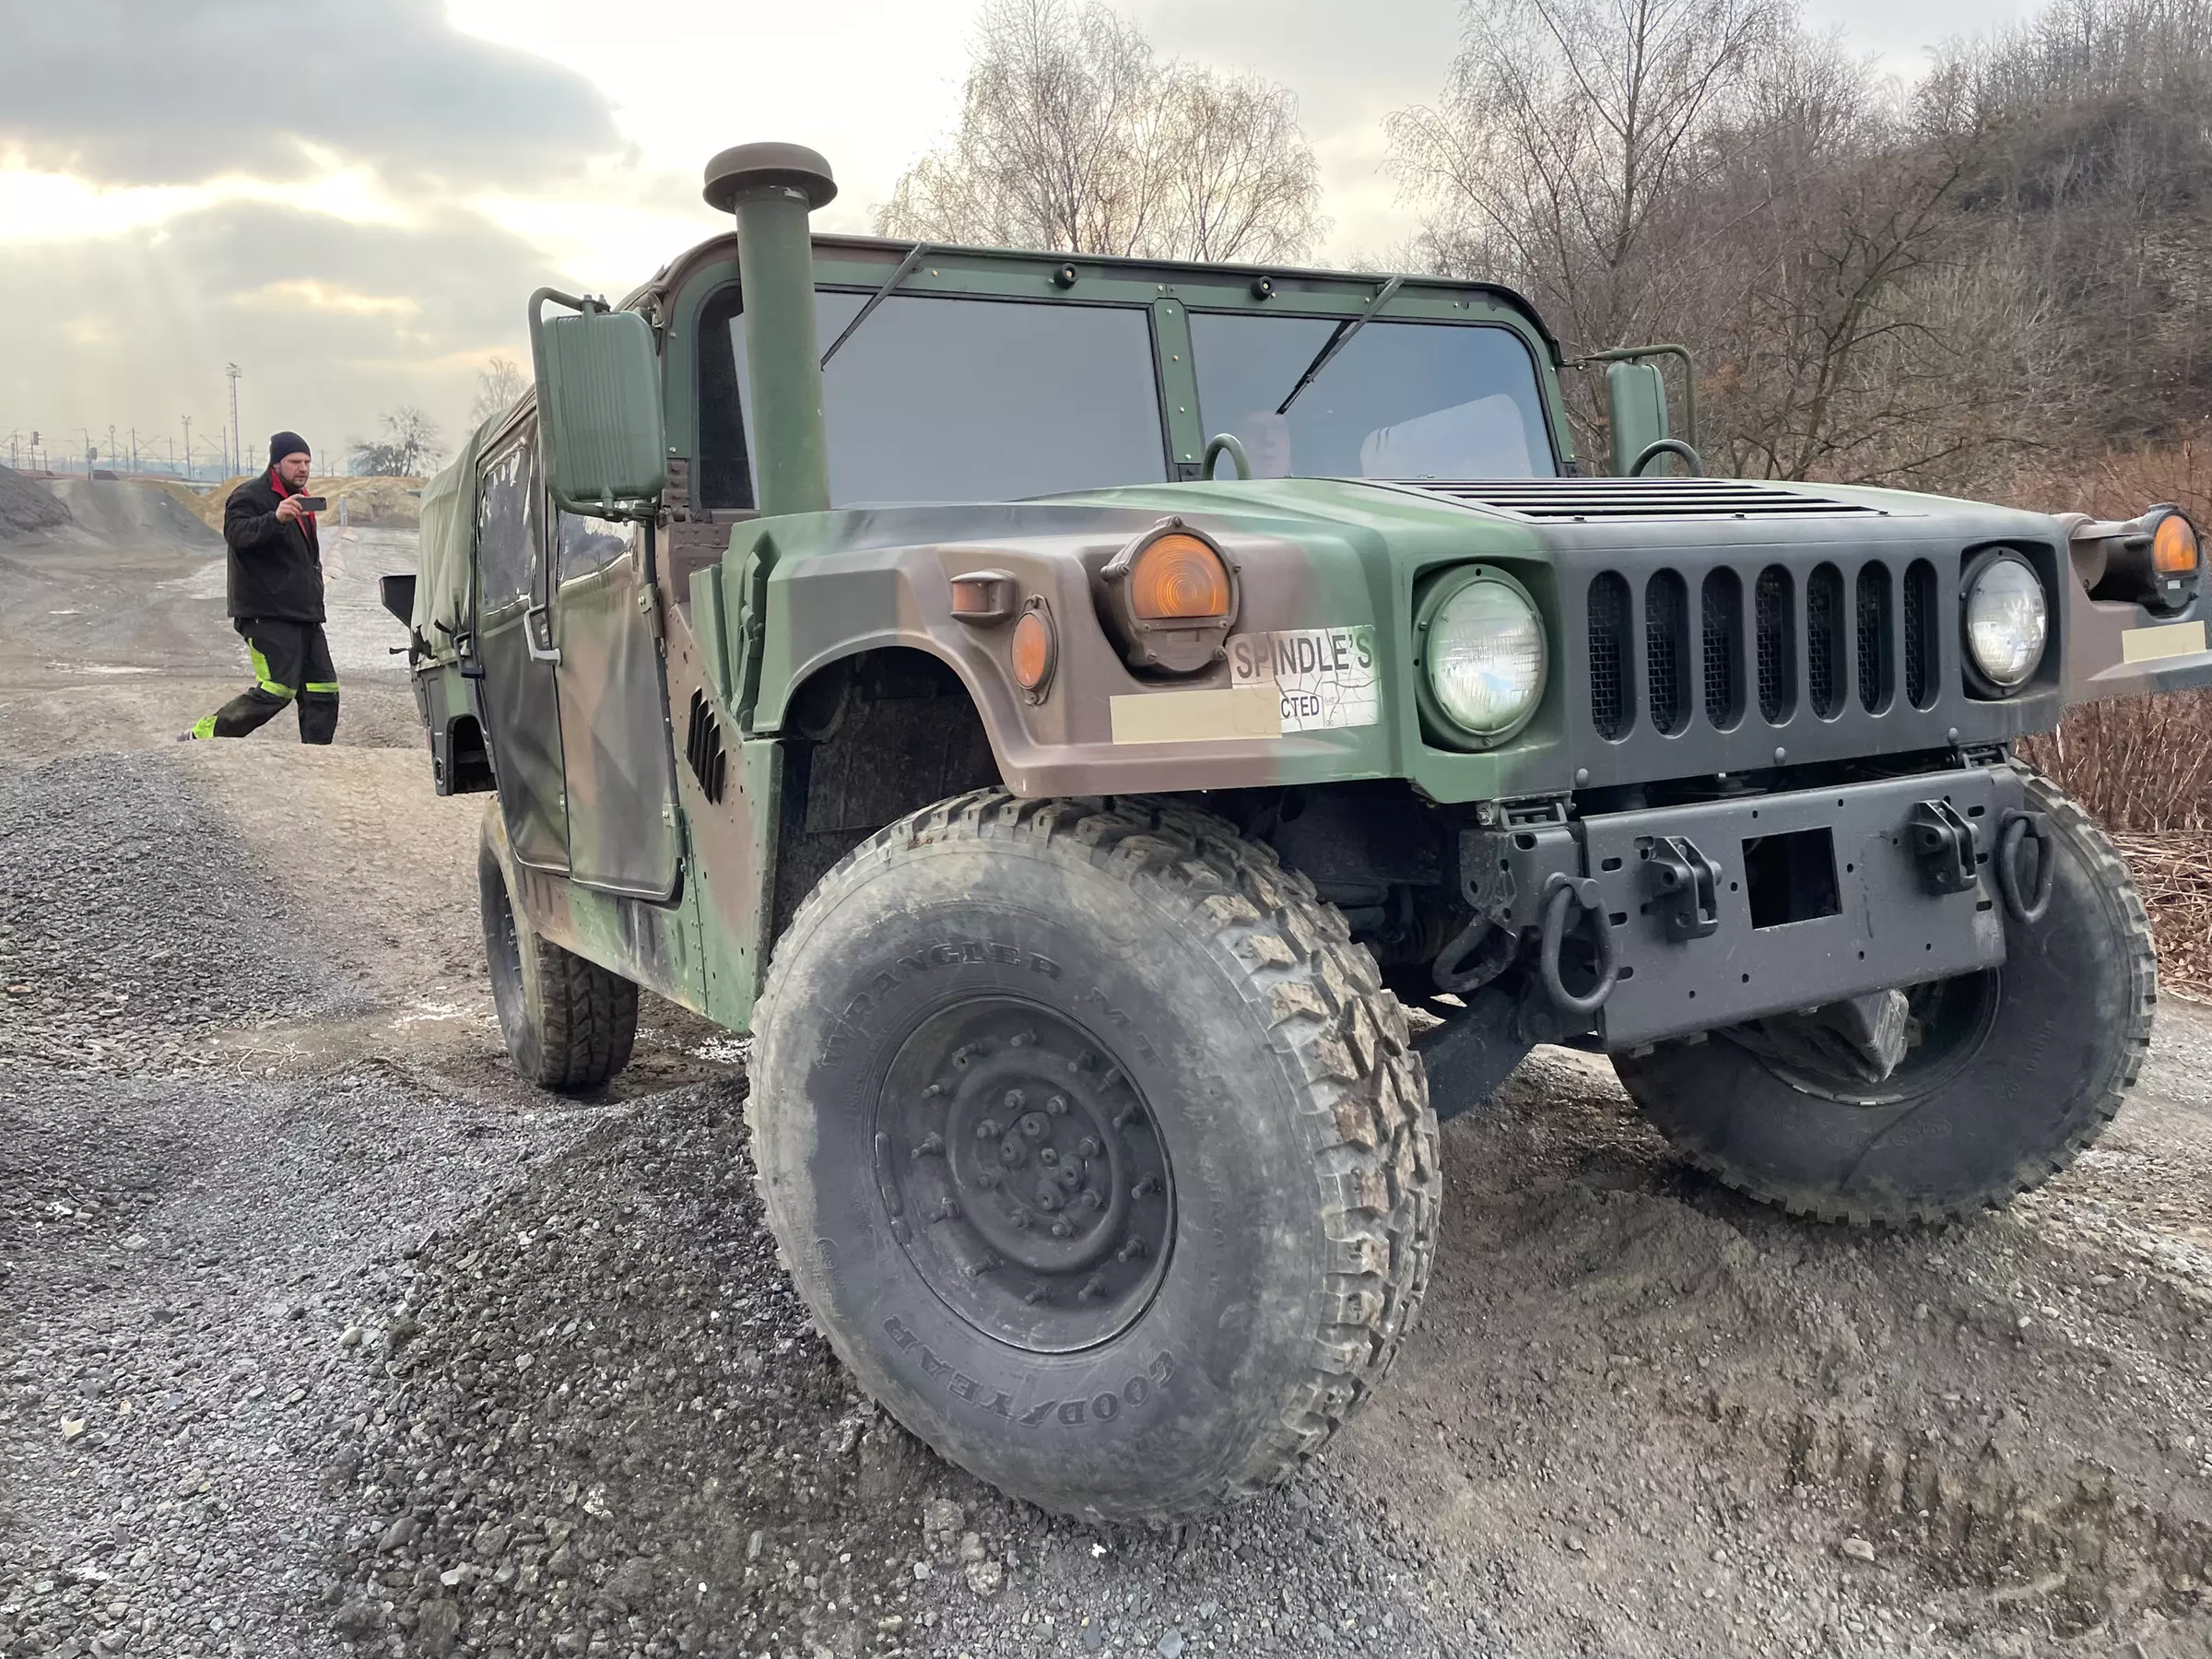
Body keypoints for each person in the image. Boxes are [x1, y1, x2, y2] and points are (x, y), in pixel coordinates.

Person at [182, 431, 338, 744]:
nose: (303, 468)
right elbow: (237, 535)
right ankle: (203, 735)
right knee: (277, 688)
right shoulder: (250, 496)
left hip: (304, 612)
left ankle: (318, 756)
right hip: (265, 612)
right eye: (295, 461)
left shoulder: (300, 498)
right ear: (276, 463)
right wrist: (275, 518)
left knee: (323, 689)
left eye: (307, 462)